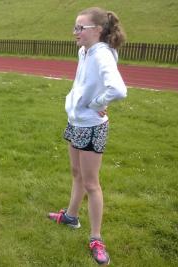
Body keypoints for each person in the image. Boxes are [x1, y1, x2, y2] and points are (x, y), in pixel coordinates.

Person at [47, 7, 127, 265]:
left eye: (80, 28)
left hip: (92, 125)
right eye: (75, 27)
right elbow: (86, 82)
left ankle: (96, 238)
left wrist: (96, 103)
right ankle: (71, 216)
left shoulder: (102, 54)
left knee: (91, 183)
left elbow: (118, 89)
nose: (75, 32)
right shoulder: (85, 51)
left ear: (99, 30)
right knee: (76, 172)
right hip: (76, 121)